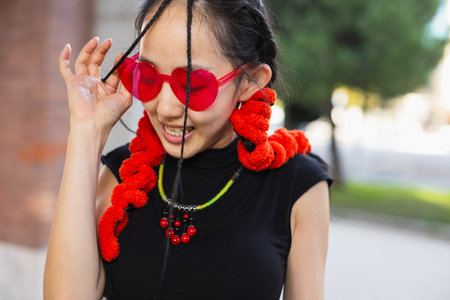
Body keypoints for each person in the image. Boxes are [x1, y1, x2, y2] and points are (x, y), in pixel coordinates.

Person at [44, 0, 333, 299]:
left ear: (250, 82)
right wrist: (86, 131)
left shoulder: (298, 186)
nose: (165, 107)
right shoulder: (126, 175)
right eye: (149, 77)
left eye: (193, 85)